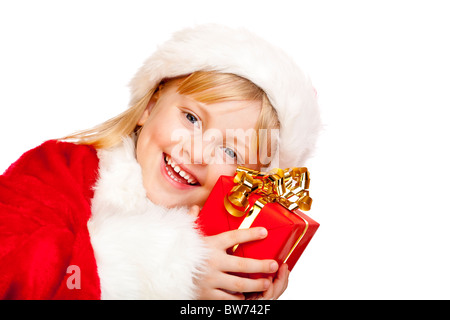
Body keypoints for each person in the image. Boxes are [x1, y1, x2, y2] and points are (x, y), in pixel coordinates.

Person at [0, 24, 321, 299]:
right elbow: (13, 273)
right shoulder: (58, 168)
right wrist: (171, 267)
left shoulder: (220, 256)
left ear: (248, 183)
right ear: (149, 107)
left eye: (230, 152)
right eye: (192, 118)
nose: (196, 153)